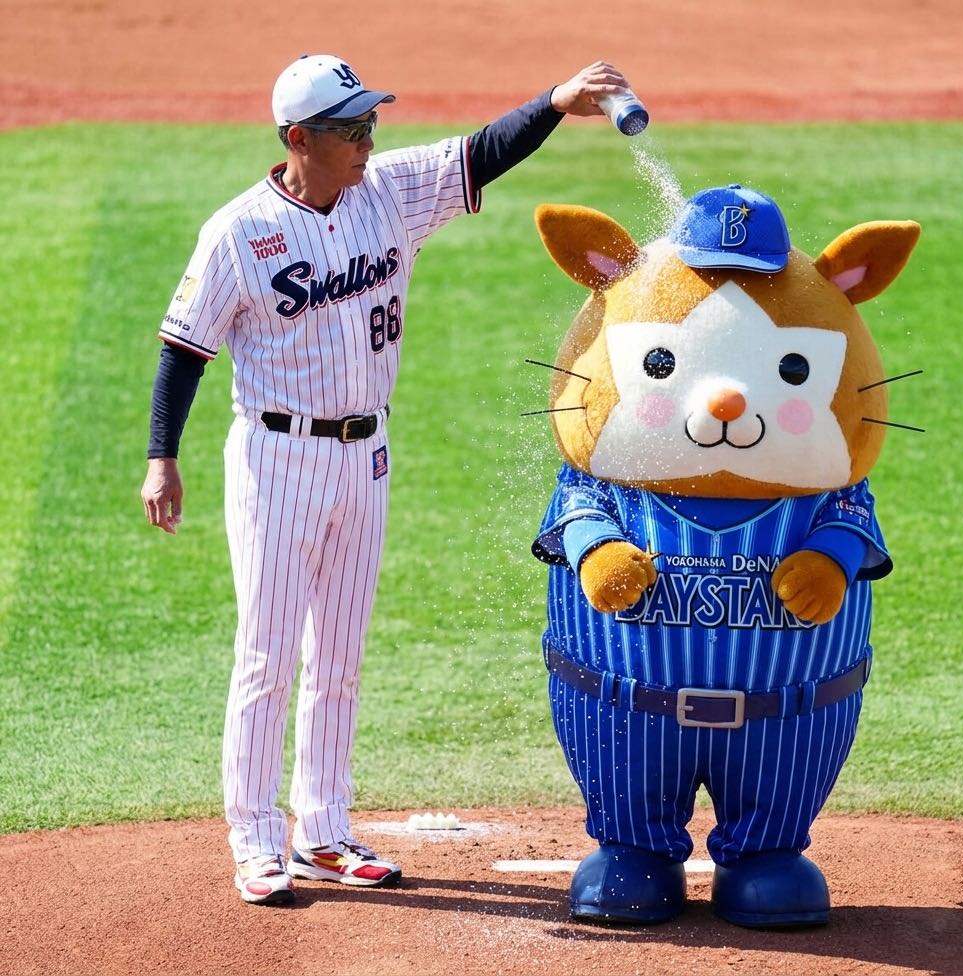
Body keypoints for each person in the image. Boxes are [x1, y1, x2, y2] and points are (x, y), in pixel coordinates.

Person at [140, 53, 635, 906]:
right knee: (267, 657)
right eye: (351, 127)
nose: (370, 138)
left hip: (366, 456)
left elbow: (482, 153)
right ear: (299, 138)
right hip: (276, 459)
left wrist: (556, 101)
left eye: (371, 121)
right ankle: (255, 841)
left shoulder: (388, 191)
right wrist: (162, 457)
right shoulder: (238, 234)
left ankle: (323, 832)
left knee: (340, 656)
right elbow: (184, 348)